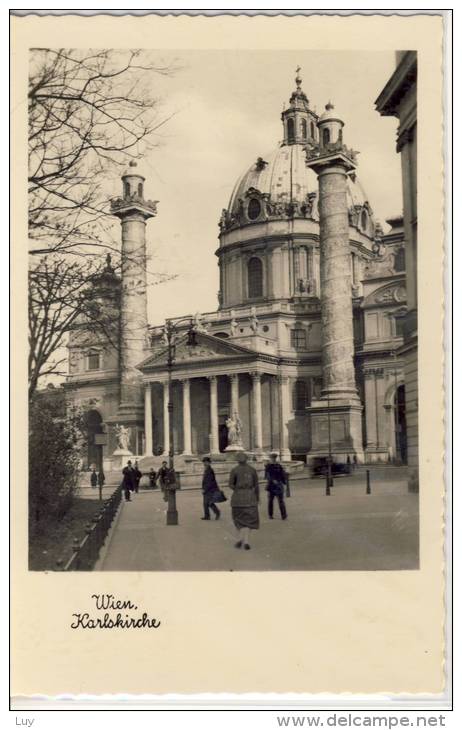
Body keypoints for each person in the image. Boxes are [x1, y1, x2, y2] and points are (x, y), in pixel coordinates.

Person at [228, 452, 259, 550]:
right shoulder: (252, 470)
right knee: (250, 520)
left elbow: (230, 484)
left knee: (238, 519)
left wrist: (237, 489)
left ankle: (239, 539)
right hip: (250, 498)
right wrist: (257, 498)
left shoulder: (234, 470)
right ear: (247, 459)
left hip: (237, 499)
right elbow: (256, 485)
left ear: (237, 460)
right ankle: (246, 541)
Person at [264, 452, 288, 520]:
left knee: (278, 501)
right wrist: (274, 480)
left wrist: (283, 481)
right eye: (272, 458)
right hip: (273, 486)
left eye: (273, 458)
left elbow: (282, 475)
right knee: (272, 501)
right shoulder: (270, 466)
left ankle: (282, 515)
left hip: (276, 486)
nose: (273, 459)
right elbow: (267, 476)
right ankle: (272, 515)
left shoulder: (277, 466)